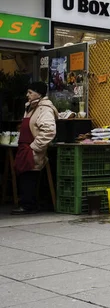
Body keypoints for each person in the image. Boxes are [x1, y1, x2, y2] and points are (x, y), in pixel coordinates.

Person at [12, 82, 58, 215]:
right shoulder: (31, 107)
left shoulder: (45, 109)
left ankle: (29, 205)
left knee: (30, 175)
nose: (27, 95)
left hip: (32, 149)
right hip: (24, 147)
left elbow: (49, 131)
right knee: (23, 173)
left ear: (39, 93)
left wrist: (34, 147)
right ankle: (26, 203)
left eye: (30, 92)